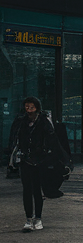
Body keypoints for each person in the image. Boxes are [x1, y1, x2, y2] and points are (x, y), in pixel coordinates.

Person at [7, 97, 56, 231]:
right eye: (27, 107)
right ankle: (29, 218)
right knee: (27, 190)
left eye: (32, 107)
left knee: (37, 190)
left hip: (40, 160)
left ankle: (38, 218)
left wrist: (47, 155)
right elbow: (14, 138)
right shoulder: (21, 122)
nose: (29, 110)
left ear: (37, 108)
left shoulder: (43, 121)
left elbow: (51, 139)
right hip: (25, 159)